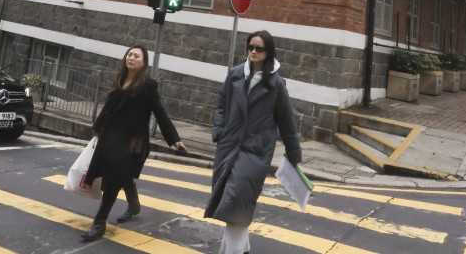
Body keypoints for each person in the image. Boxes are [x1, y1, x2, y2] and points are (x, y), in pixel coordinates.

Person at [204, 30, 302, 254]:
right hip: (229, 146)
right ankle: (242, 248)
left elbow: (286, 120)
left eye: (259, 48)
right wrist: (219, 130)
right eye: (250, 47)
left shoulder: (277, 84)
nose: (253, 52)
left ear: (269, 52)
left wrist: (294, 153)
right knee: (233, 202)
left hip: (256, 151)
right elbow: (222, 104)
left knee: (237, 200)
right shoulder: (235, 74)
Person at [80, 45, 186, 241]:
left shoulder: (148, 85)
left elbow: (159, 112)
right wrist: (97, 127)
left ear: (143, 62)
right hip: (110, 138)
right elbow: (109, 107)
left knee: (112, 182)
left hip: (132, 144)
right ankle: (134, 205)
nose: (131, 58)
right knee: (122, 176)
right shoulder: (120, 79)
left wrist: (174, 139)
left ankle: (99, 223)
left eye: (136, 56)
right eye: (129, 54)